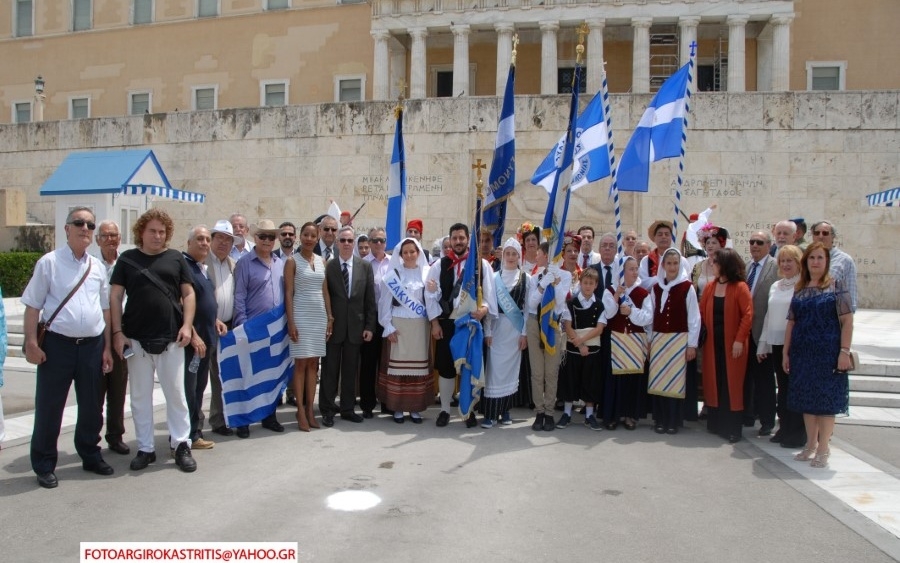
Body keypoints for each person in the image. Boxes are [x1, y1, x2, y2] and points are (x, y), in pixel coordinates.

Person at [22, 207, 114, 488]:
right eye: (79, 223)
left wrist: (107, 347)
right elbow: (33, 306)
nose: (85, 228)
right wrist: (31, 343)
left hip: (92, 345)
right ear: (66, 228)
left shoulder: (97, 267)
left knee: (91, 407)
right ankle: (44, 463)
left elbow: (106, 310)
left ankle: (89, 453)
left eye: (89, 224)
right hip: (57, 347)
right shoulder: (49, 263)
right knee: (50, 407)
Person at [109, 208, 197, 473]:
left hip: (171, 339)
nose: (157, 236)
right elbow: (114, 297)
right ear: (141, 233)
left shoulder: (175, 259)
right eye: (152, 231)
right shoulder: (127, 259)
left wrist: (187, 326)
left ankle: (181, 444)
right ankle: (145, 448)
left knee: (176, 395)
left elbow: (189, 294)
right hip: (136, 340)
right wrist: (117, 332)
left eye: (162, 231)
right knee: (139, 397)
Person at [783, 242, 854, 469]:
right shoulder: (800, 288)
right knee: (807, 400)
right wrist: (786, 351)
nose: (815, 262)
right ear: (806, 262)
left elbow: (847, 321)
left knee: (825, 402)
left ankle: (824, 447)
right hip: (803, 353)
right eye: (812, 258)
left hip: (828, 353)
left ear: (826, 262)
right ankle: (810, 444)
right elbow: (791, 322)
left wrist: (844, 351)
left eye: (820, 258)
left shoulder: (836, 287)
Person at [425, 222, 497, 428]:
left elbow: (489, 295)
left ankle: (469, 410)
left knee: (470, 367)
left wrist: (484, 310)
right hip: (448, 323)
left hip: (472, 323)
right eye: (455, 238)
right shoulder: (439, 265)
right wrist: (434, 324)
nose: (458, 241)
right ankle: (445, 410)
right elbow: (429, 297)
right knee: (447, 368)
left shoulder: (481, 265)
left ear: (468, 240)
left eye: (462, 238)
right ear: (450, 240)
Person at [232, 219, 286, 438]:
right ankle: (244, 420)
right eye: (262, 236)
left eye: (271, 237)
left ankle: (269, 415)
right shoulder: (245, 263)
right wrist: (242, 327)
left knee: (271, 376)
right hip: (253, 328)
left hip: (275, 330)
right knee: (249, 376)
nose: (267, 240)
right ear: (255, 238)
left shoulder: (280, 263)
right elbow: (239, 296)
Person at [377, 237, 438, 423]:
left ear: (418, 252)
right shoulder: (394, 274)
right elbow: (384, 302)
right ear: (400, 255)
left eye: (412, 251)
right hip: (399, 324)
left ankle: (415, 409)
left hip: (419, 326)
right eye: (405, 252)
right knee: (398, 368)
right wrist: (387, 326)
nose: (409, 255)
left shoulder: (427, 273)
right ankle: (397, 408)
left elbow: (431, 300)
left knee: (417, 369)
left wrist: (435, 290)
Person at [321, 226, 377, 426]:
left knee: (350, 371)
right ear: (337, 243)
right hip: (333, 328)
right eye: (342, 240)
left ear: (354, 243)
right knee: (330, 371)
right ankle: (327, 410)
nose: (346, 244)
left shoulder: (365, 267)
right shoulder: (329, 266)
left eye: (349, 240)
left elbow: (370, 300)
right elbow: (324, 297)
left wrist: (369, 326)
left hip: (356, 328)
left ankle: (346, 409)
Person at [700, 248, 753, 443]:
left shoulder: (740, 287)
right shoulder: (710, 287)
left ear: (725, 265)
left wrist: (739, 340)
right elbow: (700, 311)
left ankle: (732, 428)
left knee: (732, 384)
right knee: (715, 381)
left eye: (715, 262)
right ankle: (716, 423)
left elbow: (747, 315)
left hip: (733, 345)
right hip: (712, 344)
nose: (712, 265)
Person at [647, 247, 700, 435]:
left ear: (680, 265)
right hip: (660, 339)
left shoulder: (687, 288)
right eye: (668, 263)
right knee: (659, 379)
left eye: (675, 263)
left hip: (679, 339)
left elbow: (694, 318)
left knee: (675, 381)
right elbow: (651, 315)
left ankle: (673, 421)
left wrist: (692, 344)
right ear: (663, 265)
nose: (672, 267)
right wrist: (649, 339)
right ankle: (660, 419)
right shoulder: (656, 288)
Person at [285, 221, 331, 431]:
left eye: (313, 235)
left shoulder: (322, 261)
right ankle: (301, 411)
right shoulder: (292, 261)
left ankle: (311, 410)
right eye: (306, 235)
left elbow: (325, 291)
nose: (309, 239)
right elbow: (288, 293)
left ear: (318, 237)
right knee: (301, 364)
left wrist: (330, 317)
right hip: (301, 316)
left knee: (314, 364)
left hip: (318, 317)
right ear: (299, 237)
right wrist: (291, 322)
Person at [757, 245, 805, 448]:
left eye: (790, 261)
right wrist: (763, 344)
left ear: (798, 263)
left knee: (794, 388)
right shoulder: (776, 286)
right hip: (776, 343)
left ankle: (797, 432)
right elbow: (769, 316)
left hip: (794, 344)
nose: (785, 265)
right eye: (782, 261)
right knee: (783, 387)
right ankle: (784, 427)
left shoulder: (802, 286)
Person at [482, 238, 529, 428]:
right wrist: (487, 332)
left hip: (515, 331)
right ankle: (491, 413)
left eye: (514, 254)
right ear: (503, 255)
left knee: (511, 372)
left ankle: (505, 410)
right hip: (497, 329)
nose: (510, 257)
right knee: (494, 372)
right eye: (507, 253)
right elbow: (489, 307)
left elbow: (526, 310)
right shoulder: (493, 278)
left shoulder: (527, 279)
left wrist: (524, 333)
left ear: (519, 256)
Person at [602, 256, 652, 431]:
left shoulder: (642, 293)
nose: (635, 272)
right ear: (622, 271)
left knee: (632, 380)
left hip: (635, 342)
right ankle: (613, 415)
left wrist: (631, 311)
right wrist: (617, 296)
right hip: (615, 340)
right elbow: (608, 314)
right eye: (630, 269)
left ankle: (630, 414)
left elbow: (647, 317)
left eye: (636, 268)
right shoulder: (610, 290)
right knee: (615, 380)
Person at [93, 220, 130, 455]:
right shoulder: (91, 265)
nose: (110, 240)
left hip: (122, 334)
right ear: (97, 240)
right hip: (95, 334)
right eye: (105, 236)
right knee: (95, 392)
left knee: (118, 388)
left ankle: (115, 436)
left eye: (114, 235)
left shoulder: (126, 263)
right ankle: (91, 438)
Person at [526, 242, 570, 432]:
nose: (536, 257)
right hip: (535, 324)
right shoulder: (535, 277)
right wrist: (543, 285)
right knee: (537, 373)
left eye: (539, 254)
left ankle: (550, 413)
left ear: (546, 256)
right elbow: (530, 304)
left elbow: (560, 303)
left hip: (553, 324)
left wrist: (556, 281)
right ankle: (539, 411)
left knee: (551, 373)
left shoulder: (565, 275)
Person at [182, 225, 218, 450]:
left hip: (207, 339)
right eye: (199, 239)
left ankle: (194, 433)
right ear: (189, 243)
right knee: (189, 390)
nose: (204, 243)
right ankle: (187, 436)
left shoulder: (200, 268)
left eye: (207, 239)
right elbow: (180, 303)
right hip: (193, 344)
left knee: (198, 388)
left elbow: (204, 303)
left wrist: (216, 321)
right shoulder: (183, 267)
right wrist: (194, 335)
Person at [557, 268, 606, 431]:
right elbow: (568, 326)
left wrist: (582, 341)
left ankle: (589, 415)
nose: (587, 286)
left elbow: (599, 329)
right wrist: (579, 345)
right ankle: (567, 413)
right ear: (580, 283)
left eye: (591, 283)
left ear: (596, 285)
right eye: (585, 282)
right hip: (573, 350)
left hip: (591, 352)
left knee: (590, 383)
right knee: (570, 381)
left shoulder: (599, 305)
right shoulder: (571, 303)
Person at [206, 219, 240, 436]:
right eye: (220, 238)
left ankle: (220, 419)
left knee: (222, 376)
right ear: (211, 239)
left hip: (228, 327)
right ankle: (194, 426)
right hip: (206, 326)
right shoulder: (202, 264)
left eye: (228, 240)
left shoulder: (233, 265)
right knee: (202, 377)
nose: (224, 243)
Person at [743, 230, 779, 434]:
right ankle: (748, 415)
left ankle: (767, 420)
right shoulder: (748, 267)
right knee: (746, 377)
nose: (755, 246)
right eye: (752, 242)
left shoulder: (775, 267)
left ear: (768, 245)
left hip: (763, 333)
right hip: (745, 332)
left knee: (764, 379)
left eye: (759, 242)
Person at [362, 227, 391, 416]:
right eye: (374, 240)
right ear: (369, 242)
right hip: (370, 321)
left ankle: (388, 403)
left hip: (389, 319)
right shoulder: (362, 263)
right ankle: (367, 404)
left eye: (381, 240)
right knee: (368, 364)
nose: (378, 244)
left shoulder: (394, 263)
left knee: (388, 364)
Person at [811, 220, 857, 312]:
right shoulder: (805, 258)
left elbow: (850, 295)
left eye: (825, 233)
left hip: (832, 316)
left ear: (833, 236)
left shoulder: (845, 260)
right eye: (817, 233)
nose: (820, 236)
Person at [639, 220, 689, 290]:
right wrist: (663, 278)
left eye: (667, 234)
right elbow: (642, 283)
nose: (663, 237)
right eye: (660, 234)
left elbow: (686, 280)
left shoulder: (681, 260)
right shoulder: (646, 260)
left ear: (671, 238)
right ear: (654, 238)